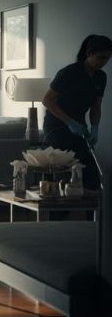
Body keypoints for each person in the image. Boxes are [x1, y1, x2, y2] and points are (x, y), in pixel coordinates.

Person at [42, 34, 112, 199]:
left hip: (79, 128)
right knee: (64, 170)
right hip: (57, 127)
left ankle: (93, 221)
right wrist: (69, 122)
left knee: (90, 171)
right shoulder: (69, 72)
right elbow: (47, 100)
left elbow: (96, 107)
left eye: (108, 58)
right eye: (101, 57)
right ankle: (58, 219)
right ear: (89, 53)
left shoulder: (101, 77)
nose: (104, 62)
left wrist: (95, 128)